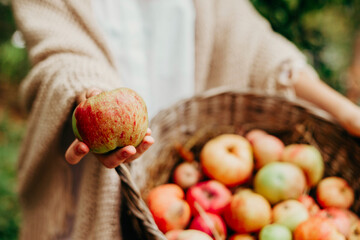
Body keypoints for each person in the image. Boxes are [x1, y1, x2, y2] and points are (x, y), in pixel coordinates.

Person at [12, 0, 360, 239]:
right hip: (99, 173)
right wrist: (90, 100)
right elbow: (62, 54)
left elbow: (253, 46)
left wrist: (345, 112)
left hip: (187, 145)